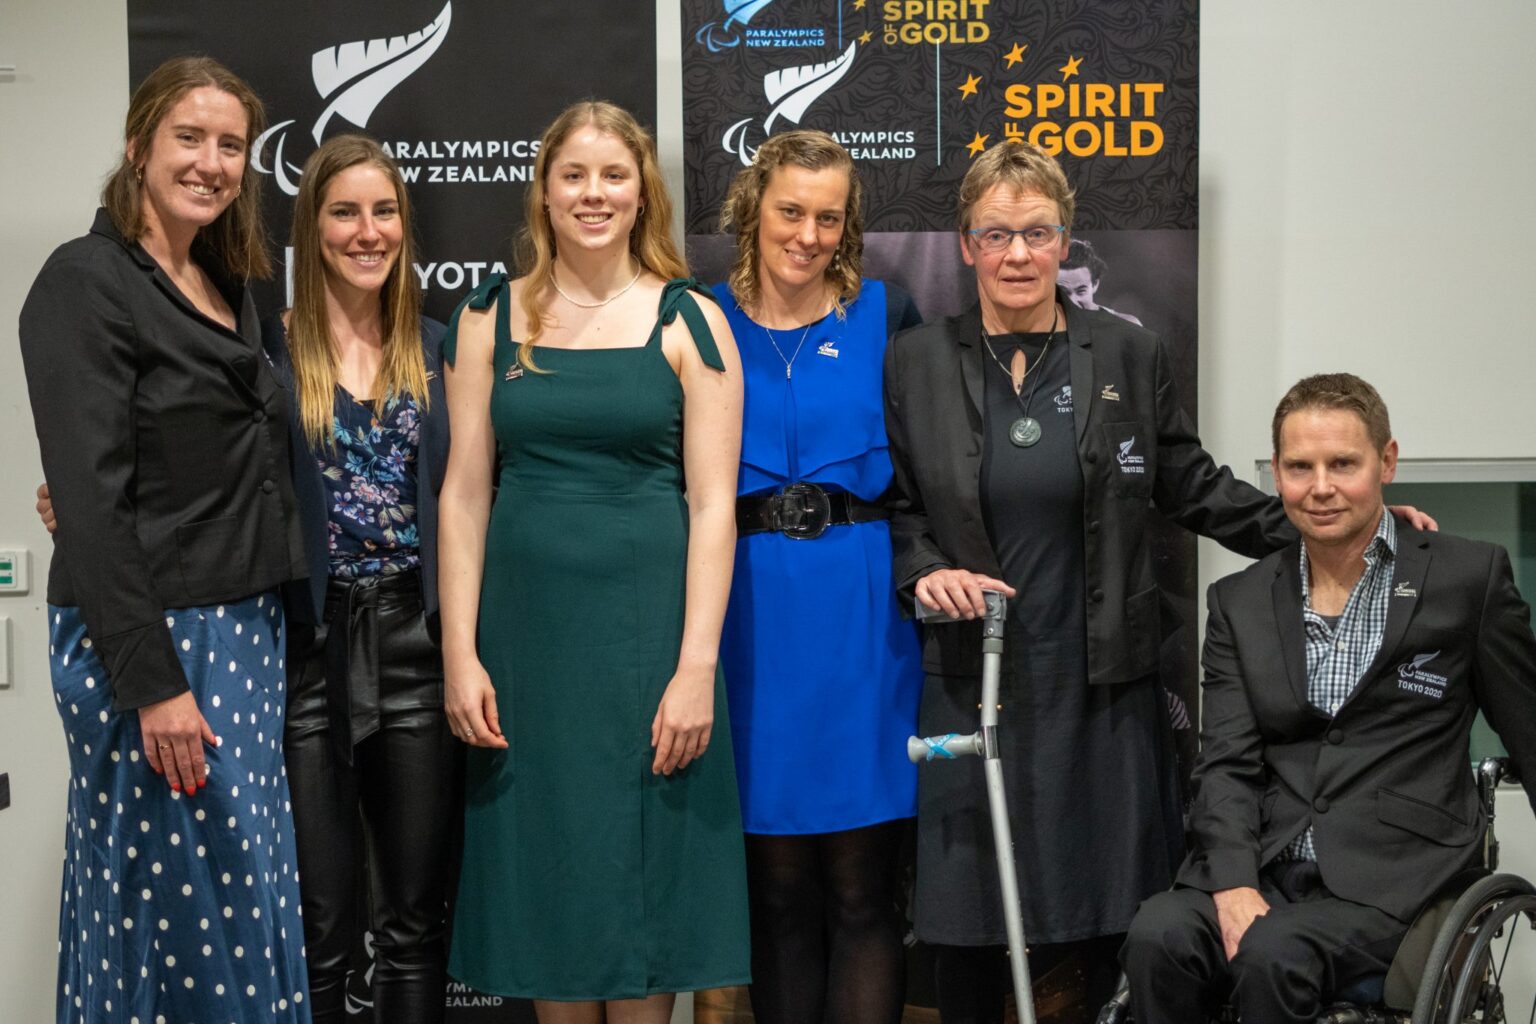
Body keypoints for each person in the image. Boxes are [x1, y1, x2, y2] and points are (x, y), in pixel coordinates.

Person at [882, 140, 1434, 1023]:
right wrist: (925, 571)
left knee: (1106, 925)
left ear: (1066, 242)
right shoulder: (914, 361)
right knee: (973, 927)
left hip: (1102, 691)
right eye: (996, 235)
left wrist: (1343, 524)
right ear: (965, 245)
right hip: (974, 685)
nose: (1018, 254)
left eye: (1037, 232)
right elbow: (899, 505)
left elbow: (1192, 484)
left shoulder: (1127, 354)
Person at [437, 100, 750, 1021]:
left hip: (649, 646)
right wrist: (462, 654)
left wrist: (695, 667)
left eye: (613, 174)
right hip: (528, 654)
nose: (593, 193)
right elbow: (462, 495)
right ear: (542, 192)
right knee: (551, 904)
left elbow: (714, 507)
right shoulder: (487, 319)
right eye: (573, 174)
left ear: (642, 192)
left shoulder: (692, 320)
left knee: (643, 912)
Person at [18, 56, 310, 1023]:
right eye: (190, 138)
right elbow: (93, 505)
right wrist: (155, 685)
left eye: (231, 145)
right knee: (168, 911)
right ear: (140, 146)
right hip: (156, 650)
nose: (213, 162)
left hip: (242, 633)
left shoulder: (228, 280)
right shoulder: (84, 281)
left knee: (241, 902)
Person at [1121, 373, 1536, 1023]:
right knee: (1158, 934)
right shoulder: (1239, 603)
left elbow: (1529, 729)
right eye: (1299, 466)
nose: (1320, 487)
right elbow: (1225, 761)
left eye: (1343, 463)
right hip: (1264, 867)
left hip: (1397, 883)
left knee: (1273, 954)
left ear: (1387, 462)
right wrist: (1231, 884)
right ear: (1278, 474)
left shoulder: (1466, 579)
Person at [713, 129, 924, 1024]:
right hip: (747, 615)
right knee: (777, 893)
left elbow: (929, 468)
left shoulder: (888, 312)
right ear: (752, 210)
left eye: (828, 217)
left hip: (863, 614)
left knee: (861, 890)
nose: (807, 233)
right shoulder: (699, 316)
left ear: (850, 225)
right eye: (790, 211)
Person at [266, 134, 456, 1023]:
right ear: (313, 228)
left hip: (419, 646)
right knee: (318, 921)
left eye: (384, 212)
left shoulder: (444, 351)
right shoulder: (265, 354)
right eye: (345, 212)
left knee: (414, 925)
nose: (367, 230)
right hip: (306, 650)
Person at [1058, 237, 1142, 326]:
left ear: (1095, 285)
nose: (1072, 302)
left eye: (1081, 291)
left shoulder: (1127, 325)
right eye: (1063, 293)